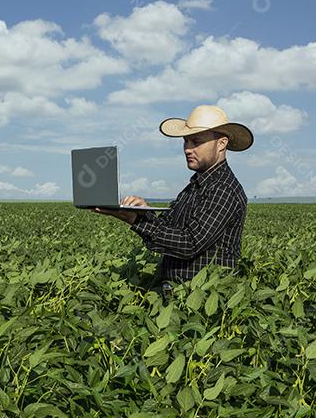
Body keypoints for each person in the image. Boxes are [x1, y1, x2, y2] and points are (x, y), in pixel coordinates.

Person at [94, 105, 252, 296]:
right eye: (186, 142)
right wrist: (144, 213)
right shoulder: (195, 185)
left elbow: (189, 243)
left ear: (221, 144)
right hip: (180, 296)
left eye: (196, 141)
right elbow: (172, 228)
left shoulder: (223, 189)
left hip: (205, 300)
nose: (187, 149)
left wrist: (134, 220)